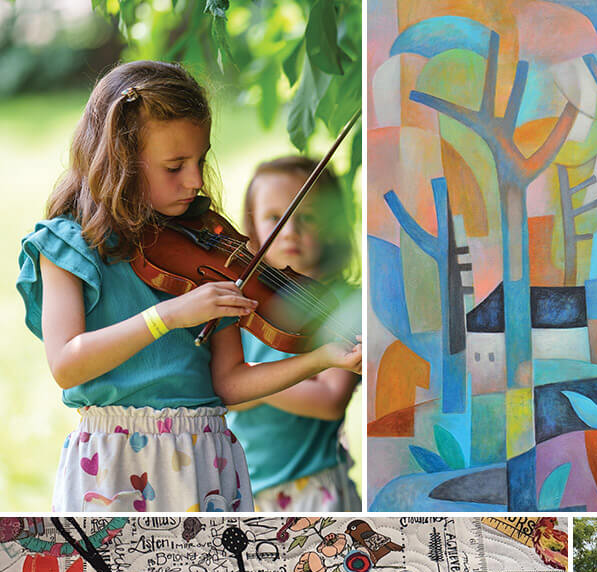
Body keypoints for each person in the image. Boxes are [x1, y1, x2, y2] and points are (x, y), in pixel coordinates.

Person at [16, 60, 362, 512]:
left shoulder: (207, 250)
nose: (196, 181)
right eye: (175, 166)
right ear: (120, 161)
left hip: (204, 461)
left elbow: (229, 383)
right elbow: (66, 364)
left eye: (200, 160)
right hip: (114, 466)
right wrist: (169, 316)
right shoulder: (67, 246)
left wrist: (321, 358)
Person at [228, 156, 362, 511]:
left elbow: (329, 400)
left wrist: (251, 381)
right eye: (275, 217)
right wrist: (241, 385)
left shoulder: (346, 304)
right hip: (243, 487)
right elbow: (222, 395)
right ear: (252, 227)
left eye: (307, 217)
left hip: (313, 489)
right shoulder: (242, 301)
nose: (289, 230)